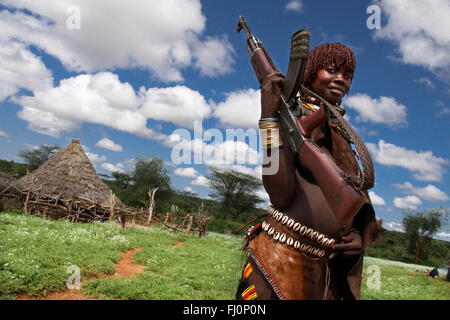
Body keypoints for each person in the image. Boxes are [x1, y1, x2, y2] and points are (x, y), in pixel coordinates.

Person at [236, 43, 381, 300]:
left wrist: (357, 236)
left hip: (327, 270)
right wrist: (269, 117)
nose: (341, 80)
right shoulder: (290, 112)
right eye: (332, 70)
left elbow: (354, 191)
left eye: (347, 77)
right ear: (311, 71)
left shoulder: (341, 131)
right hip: (283, 258)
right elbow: (278, 193)